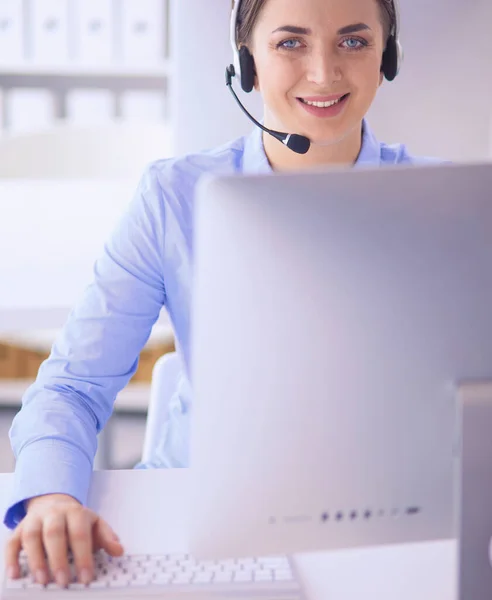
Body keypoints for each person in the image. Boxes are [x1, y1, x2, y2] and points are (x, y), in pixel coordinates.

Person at [4, 0, 442, 588]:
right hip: (200, 510)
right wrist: (51, 496)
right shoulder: (174, 197)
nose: (323, 72)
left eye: (354, 41)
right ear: (247, 61)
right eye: (290, 43)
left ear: (387, 55)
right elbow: (73, 384)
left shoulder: (444, 202)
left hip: (382, 525)